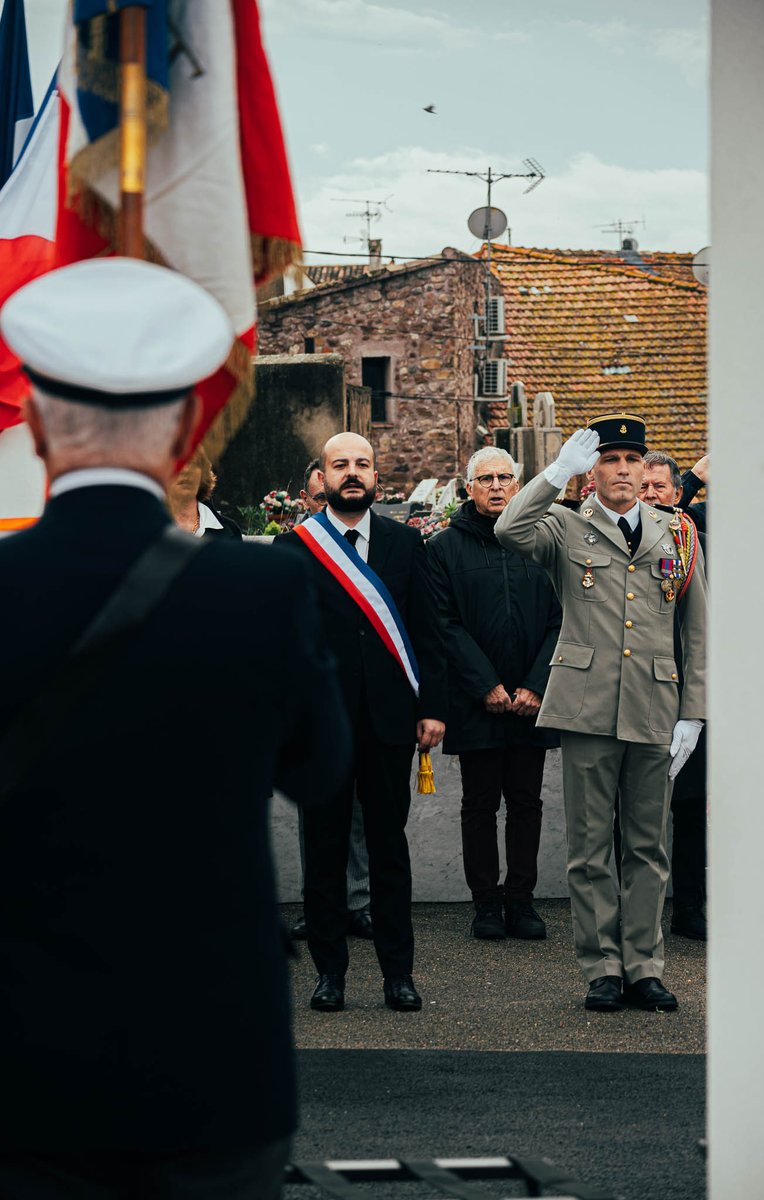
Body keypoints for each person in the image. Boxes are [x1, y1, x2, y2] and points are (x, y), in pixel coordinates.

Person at [0, 257, 350, 1199]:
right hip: (211, 1053)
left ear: (33, 423)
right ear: (186, 433)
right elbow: (323, 775)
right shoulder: (262, 586)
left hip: (20, 1056)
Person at [496, 415, 707, 1013]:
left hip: (655, 708)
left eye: (630, 460)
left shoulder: (678, 534)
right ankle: (602, 968)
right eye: (609, 459)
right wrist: (554, 473)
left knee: (647, 847)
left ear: (645, 471)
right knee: (590, 849)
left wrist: (693, 714)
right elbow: (511, 527)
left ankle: (645, 965)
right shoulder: (566, 525)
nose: (620, 469)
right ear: (594, 471)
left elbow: (698, 630)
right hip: (588, 710)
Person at [282, 431, 447, 1013]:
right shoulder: (296, 547)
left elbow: (429, 631)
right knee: (323, 854)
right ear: (321, 477)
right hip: (321, 728)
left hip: (389, 723)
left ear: (378, 476)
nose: (353, 473)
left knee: (388, 852)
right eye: (340, 464)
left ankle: (397, 974)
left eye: (363, 464)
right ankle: (331, 975)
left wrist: (432, 707)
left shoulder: (408, 545)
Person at [427, 446, 561, 941]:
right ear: (469, 488)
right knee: (479, 805)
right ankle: (485, 903)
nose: (497, 486)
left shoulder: (541, 543)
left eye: (506, 477)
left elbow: (560, 618)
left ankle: (521, 901)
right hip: (477, 701)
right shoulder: (444, 549)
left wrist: (536, 684)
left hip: (530, 699)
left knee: (526, 803)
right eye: (486, 479)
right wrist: (485, 685)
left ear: (519, 484)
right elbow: (444, 624)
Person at [291, 456, 372, 940]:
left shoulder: (374, 544)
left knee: (362, 811)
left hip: (366, 697)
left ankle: (358, 901)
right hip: (317, 696)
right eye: (319, 499)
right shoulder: (296, 548)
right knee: (316, 815)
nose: (327, 505)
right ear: (307, 501)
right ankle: (318, 903)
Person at [640, 450, 708, 941]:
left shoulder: (698, 545)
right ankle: (631, 911)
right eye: (642, 488)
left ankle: (688, 907)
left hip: (687, 696)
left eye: (658, 488)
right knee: (629, 812)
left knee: (688, 808)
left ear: (678, 495)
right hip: (634, 694)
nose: (649, 496)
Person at [168, 443, 242, 538]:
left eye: (193, 464)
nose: (186, 470)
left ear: (203, 475)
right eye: (179, 464)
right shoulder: (146, 526)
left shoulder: (230, 531)